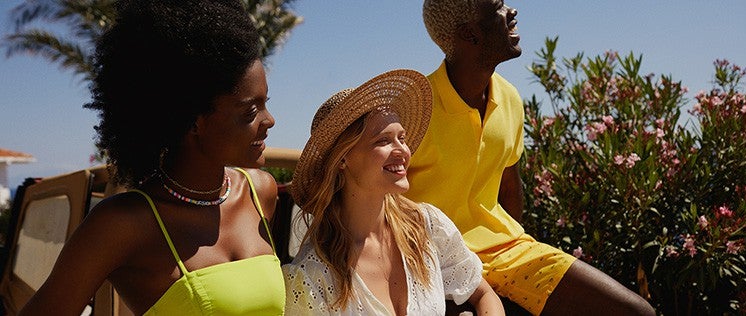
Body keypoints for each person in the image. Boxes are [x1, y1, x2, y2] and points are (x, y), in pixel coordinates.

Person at [19, 0, 284, 315]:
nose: (269, 121)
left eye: (265, 103)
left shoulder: (260, 193)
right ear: (193, 121)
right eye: (250, 111)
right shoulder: (124, 224)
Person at [404, 1, 657, 315]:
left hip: (509, 251)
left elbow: (510, 188)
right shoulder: (415, 108)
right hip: (435, 262)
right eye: (497, 7)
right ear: (470, 33)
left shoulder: (509, 97)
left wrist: (516, 287)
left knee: (637, 312)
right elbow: (382, 205)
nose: (512, 11)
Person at [283, 69, 505, 315]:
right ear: (343, 158)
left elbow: (484, 294)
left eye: (402, 138)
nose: (403, 151)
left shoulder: (427, 228)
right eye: (383, 140)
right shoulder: (312, 277)